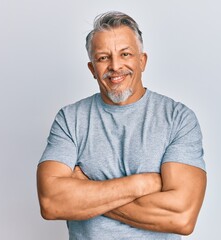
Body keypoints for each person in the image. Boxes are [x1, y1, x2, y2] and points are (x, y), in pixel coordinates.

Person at [37, 11, 206, 240]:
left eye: (125, 54)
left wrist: (88, 190)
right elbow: (51, 202)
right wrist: (142, 184)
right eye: (103, 58)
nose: (115, 66)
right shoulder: (70, 119)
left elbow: (181, 217)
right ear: (92, 69)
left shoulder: (178, 118)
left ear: (142, 60)